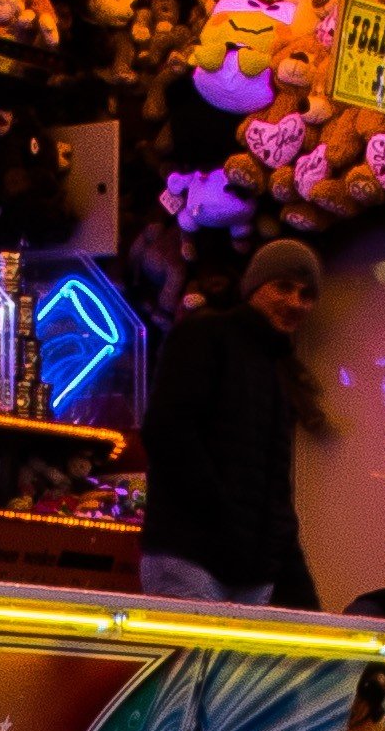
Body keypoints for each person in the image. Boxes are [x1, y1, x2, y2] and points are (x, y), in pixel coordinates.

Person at [138, 236, 324, 602]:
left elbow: (272, 485)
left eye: (306, 294)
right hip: (190, 556)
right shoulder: (205, 335)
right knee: (197, 660)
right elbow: (168, 432)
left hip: (248, 569)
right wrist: (221, 513)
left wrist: (284, 564)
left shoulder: (275, 369)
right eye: (284, 287)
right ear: (254, 287)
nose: (294, 302)